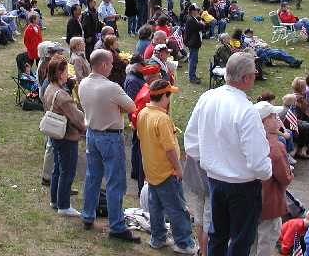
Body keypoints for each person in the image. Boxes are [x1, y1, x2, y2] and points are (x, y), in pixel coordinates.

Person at [184, 52, 272, 255]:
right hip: (242, 185)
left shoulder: (209, 97)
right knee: (241, 240)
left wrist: (212, 157)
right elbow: (258, 160)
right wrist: (265, 173)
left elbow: (192, 142)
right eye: (253, 73)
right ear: (246, 78)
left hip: (215, 179)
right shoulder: (246, 110)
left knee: (218, 235)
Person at [79, 49, 140, 243]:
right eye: (111, 63)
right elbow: (132, 107)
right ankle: (117, 226)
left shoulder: (83, 83)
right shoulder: (111, 87)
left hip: (92, 134)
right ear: (104, 65)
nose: (113, 66)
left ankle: (88, 215)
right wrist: (117, 108)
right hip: (110, 137)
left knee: (93, 177)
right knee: (115, 182)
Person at [137, 79, 196, 254]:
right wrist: (178, 169)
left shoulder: (143, 113)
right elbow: (170, 149)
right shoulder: (162, 119)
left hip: (151, 170)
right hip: (166, 172)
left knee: (155, 207)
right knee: (176, 208)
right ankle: (184, 243)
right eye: (169, 95)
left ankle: (158, 238)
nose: (170, 99)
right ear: (163, 96)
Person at [41, 55, 86, 216]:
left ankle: (55, 200)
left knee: (58, 169)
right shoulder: (62, 96)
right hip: (67, 137)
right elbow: (77, 118)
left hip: (56, 134)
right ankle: (64, 205)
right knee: (67, 171)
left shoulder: (49, 88)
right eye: (66, 70)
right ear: (60, 73)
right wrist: (86, 128)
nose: (68, 73)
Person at [251, 101, 294, 256]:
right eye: (274, 116)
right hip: (269, 201)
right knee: (267, 239)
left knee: (250, 240)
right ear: (264, 121)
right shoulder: (275, 146)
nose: (278, 118)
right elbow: (285, 177)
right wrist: (290, 173)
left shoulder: (247, 139)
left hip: (248, 199)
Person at [184, 3, 205, 84]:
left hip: (193, 42)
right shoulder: (191, 20)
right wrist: (202, 24)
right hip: (193, 43)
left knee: (194, 60)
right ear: (193, 11)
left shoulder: (193, 18)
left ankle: (193, 76)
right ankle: (192, 77)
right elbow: (200, 27)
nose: (198, 11)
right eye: (197, 10)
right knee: (193, 60)